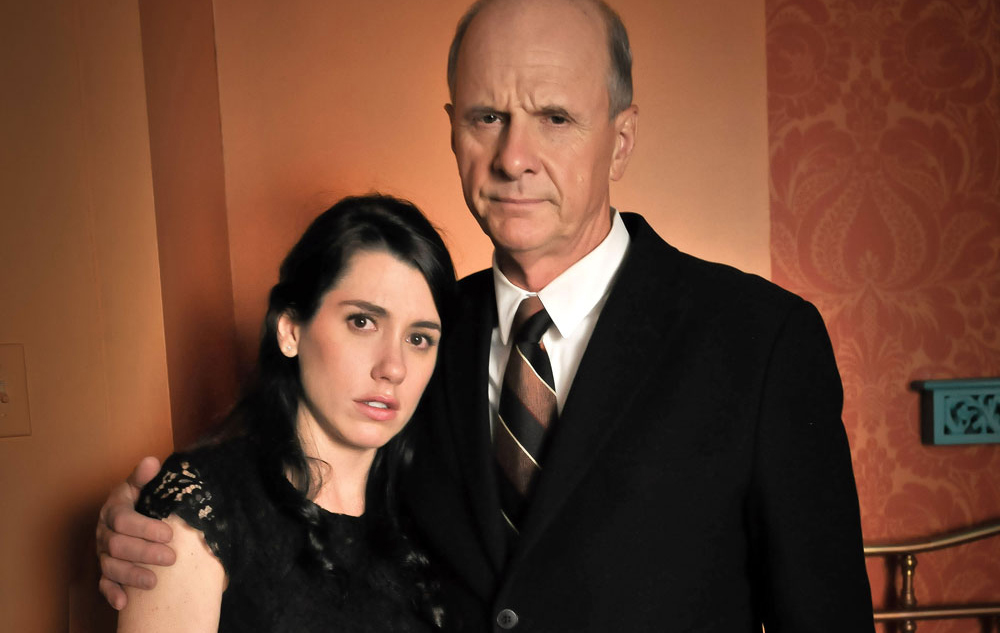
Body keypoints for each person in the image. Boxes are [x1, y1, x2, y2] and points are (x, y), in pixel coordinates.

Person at [98, 1, 876, 631]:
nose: (512, 157)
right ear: (451, 127)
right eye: (486, 117)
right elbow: (302, 501)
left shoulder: (758, 341)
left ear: (621, 139)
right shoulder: (419, 337)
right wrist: (148, 524)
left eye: (555, 118)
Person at [114, 194, 456, 632]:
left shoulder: (436, 511)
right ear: (291, 330)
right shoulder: (207, 503)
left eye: (419, 339)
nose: (393, 367)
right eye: (362, 322)